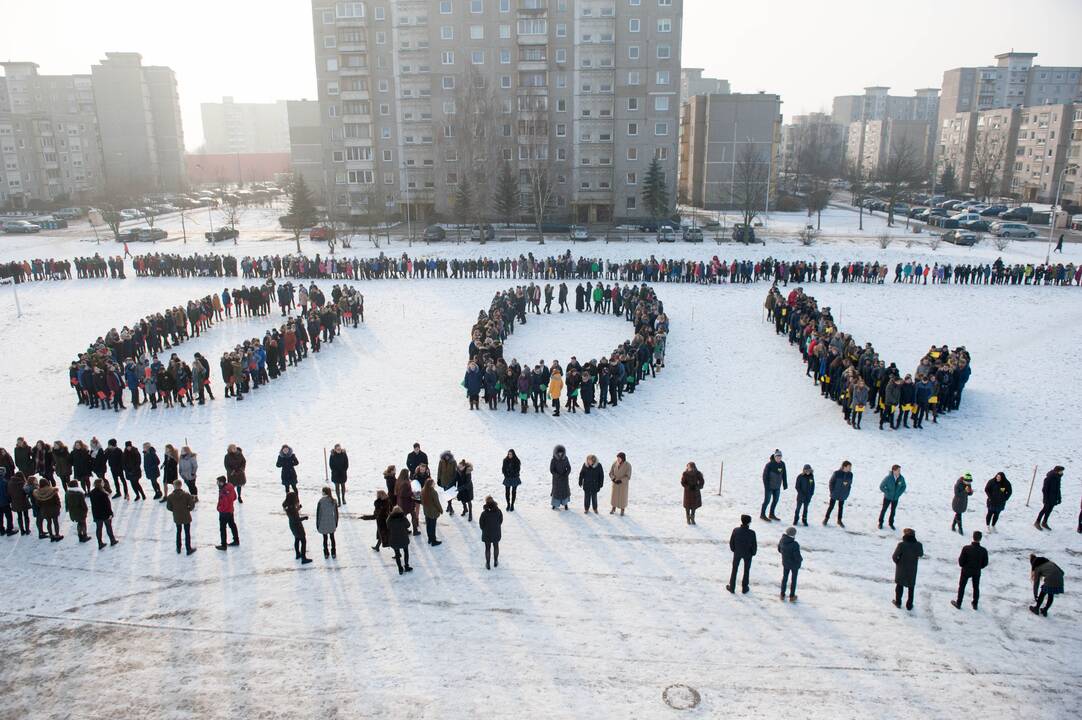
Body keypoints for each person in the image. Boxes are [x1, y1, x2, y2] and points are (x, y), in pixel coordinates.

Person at [951, 531, 988, 610]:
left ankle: (959, 602)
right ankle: (975, 604)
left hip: (966, 570)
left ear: (973, 537)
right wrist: (979, 567)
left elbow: (961, 562)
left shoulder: (966, 548)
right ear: (980, 539)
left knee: (962, 586)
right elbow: (985, 563)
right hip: (977, 571)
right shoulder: (983, 550)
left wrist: (964, 566)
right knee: (976, 587)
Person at [891, 528, 924, 610]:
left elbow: (894, 556)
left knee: (899, 585)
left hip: (901, 568)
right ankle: (909, 605)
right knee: (911, 587)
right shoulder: (918, 545)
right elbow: (921, 554)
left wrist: (898, 562)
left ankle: (898, 602)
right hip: (912, 569)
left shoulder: (901, 545)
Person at [726, 515, 757, 594]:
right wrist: (753, 553)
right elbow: (754, 545)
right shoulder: (752, 533)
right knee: (746, 570)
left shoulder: (736, 530)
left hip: (737, 553)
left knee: (734, 569)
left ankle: (732, 587)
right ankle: (745, 587)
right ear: (749, 523)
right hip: (748, 554)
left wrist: (734, 550)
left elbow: (731, 542)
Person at [166, 480, 196, 555]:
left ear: (174, 486)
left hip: (177, 516)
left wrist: (175, 510)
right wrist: (188, 509)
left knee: (178, 532)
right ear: (181, 485)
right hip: (186, 516)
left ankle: (178, 548)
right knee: (187, 533)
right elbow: (192, 505)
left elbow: (169, 507)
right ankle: (188, 548)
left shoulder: (170, 496)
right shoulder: (186, 495)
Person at [283, 491, 313, 564]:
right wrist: (304, 518)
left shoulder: (288, 506)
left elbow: (293, 513)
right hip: (297, 526)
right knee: (303, 541)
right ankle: (303, 558)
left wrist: (298, 508)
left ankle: (297, 554)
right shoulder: (291, 508)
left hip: (292, 525)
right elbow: (296, 519)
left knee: (296, 539)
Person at [89, 478, 117, 549]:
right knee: (108, 527)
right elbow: (107, 505)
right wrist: (110, 513)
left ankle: (100, 543)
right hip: (105, 514)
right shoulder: (103, 493)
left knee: (99, 528)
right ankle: (112, 540)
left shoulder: (92, 493)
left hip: (96, 513)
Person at [760, 449, 787, 521]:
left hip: (777, 486)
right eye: (777, 456)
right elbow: (764, 476)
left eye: (780, 457)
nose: (779, 458)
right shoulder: (769, 464)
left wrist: (785, 484)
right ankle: (762, 514)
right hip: (769, 487)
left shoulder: (782, 464)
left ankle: (771, 514)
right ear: (774, 457)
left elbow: (784, 474)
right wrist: (766, 486)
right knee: (767, 501)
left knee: (775, 500)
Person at [1034, 465, 1064, 530]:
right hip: (1048, 498)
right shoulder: (1049, 478)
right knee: (1044, 509)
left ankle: (1044, 522)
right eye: (1061, 471)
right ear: (1057, 471)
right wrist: (1045, 499)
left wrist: (1059, 498)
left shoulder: (1058, 477)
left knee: (1049, 510)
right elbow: (1044, 489)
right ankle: (1037, 522)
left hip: (1054, 497)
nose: (1062, 472)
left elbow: (1058, 488)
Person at [778, 526, 803, 602]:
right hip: (794, 565)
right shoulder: (795, 544)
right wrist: (800, 560)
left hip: (785, 563)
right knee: (793, 579)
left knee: (785, 578)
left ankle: (782, 594)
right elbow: (797, 557)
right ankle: (792, 596)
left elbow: (779, 549)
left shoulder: (782, 540)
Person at [215, 476, 240, 551]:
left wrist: (219, 508)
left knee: (222, 528)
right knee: (232, 525)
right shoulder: (230, 487)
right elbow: (235, 497)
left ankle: (223, 545)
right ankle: (236, 540)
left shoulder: (223, 491)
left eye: (218, 482)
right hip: (230, 510)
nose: (217, 483)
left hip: (224, 512)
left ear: (221, 482)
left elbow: (224, 503)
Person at [878, 465, 906, 530]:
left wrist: (899, 494)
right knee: (884, 510)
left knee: (893, 511)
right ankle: (880, 523)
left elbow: (904, 486)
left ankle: (891, 523)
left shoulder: (901, 478)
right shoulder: (888, 478)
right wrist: (887, 492)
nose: (899, 471)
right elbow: (881, 486)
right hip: (887, 498)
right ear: (894, 470)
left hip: (895, 498)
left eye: (900, 470)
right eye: (898, 470)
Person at [824, 461, 852, 527]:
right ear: (844, 467)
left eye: (850, 467)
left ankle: (839, 520)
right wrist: (832, 492)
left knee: (841, 507)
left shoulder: (850, 474)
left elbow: (849, 485)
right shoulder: (837, 473)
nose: (850, 468)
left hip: (843, 494)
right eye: (849, 467)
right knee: (831, 506)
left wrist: (847, 493)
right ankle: (826, 518)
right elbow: (831, 482)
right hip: (835, 493)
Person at [479, 495, 503, 570]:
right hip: (496, 532)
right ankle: (495, 561)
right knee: (496, 546)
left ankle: (488, 563)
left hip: (487, 533)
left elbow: (481, 524)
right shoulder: (498, 511)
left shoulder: (484, 513)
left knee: (487, 548)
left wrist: (484, 529)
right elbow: (500, 521)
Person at [387, 505, 412, 575]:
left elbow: (387, 525)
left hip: (394, 539)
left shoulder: (390, 518)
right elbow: (408, 525)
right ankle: (406, 566)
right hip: (403, 538)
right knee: (406, 552)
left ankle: (400, 568)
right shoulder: (403, 518)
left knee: (397, 555)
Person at [316, 486, 339, 559]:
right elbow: (336, 513)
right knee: (332, 538)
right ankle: (333, 552)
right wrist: (336, 522)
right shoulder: (334, 501)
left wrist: (318, 524)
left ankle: (326, 553)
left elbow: (318, 514)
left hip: (323, 522)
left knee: (325, 538)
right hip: (331, 522)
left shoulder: (320, 501)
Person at [420, 477, 443, 546]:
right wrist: (441, 510)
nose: (435, 484)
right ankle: (433, 541)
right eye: (433, 483)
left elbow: (421, 501)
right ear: (430, 485)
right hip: (433, 512)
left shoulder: (423, 490)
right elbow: (437, 503)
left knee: (428, 526)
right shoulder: (433, 492)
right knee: (432, 527)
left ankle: (430, 539)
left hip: (426, 511)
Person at [550, 445, 571, 510]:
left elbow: (569, 467)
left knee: (565, 491)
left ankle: (565, 504)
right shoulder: (553, 459)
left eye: (561, 453)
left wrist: (566, 474)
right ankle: (555, 504)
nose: (560, 454)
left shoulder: (566, 458)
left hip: (564, 478)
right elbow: (551, 469)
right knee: (556, 491)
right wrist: (557, 475)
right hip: (557, 479)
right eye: (559, 453)